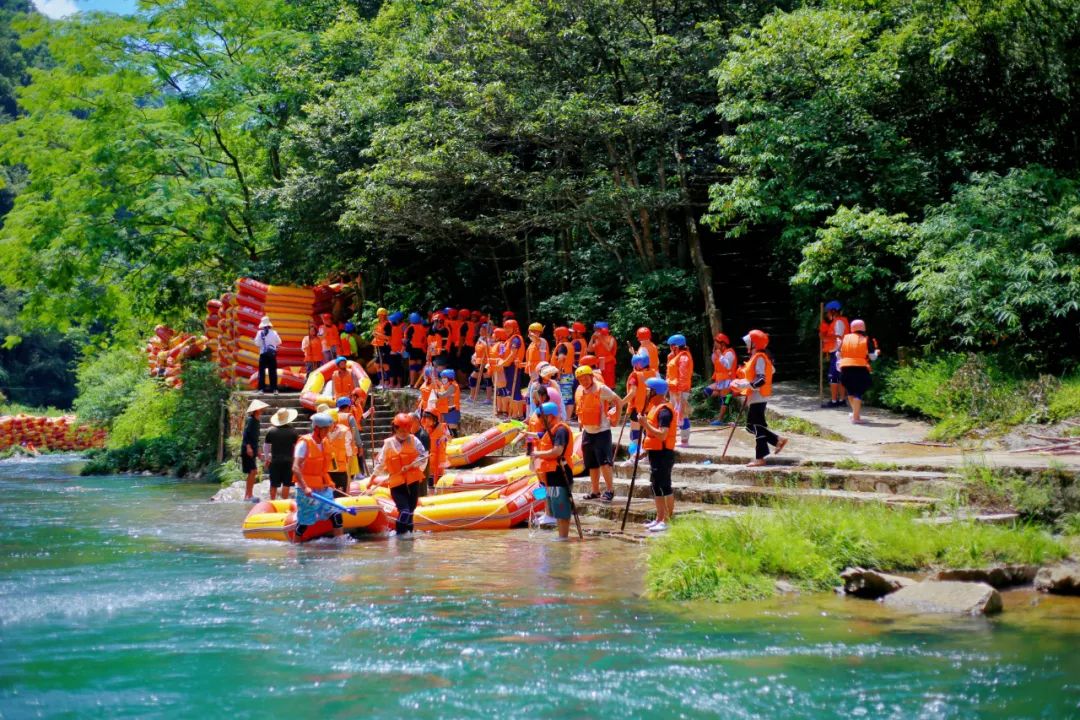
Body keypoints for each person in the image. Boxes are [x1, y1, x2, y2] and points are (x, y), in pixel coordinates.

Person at [732, 329, 788, 467]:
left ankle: (761, 457)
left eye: (748, 343)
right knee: (752, 426)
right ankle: (777, 440)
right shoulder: (759, 357)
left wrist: (743, 384)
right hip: (756, 396)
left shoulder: (760, 358)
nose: (746, 345)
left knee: (756, 426)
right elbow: (770, 371)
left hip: (759, 396)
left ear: (754, 344)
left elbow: (761, 380)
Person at [371, 413, 428, 536]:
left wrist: (412, 465)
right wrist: (372, 478)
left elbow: (424, 457)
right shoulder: (388, 444)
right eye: (401, 430)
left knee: (411, 512)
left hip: (412, 481)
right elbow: (381, 463)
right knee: (405, 511)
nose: (404, 433)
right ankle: (399, 538)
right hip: (397, 483)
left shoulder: (415, 440)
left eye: (407, 430)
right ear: (395, 429)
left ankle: (408, 544)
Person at [573, 365, 623, 502]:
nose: (584, 381)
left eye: (586, 378)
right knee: (591, 464)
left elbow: (618, 401)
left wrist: (615, 420)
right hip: (587, 432)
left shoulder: (601, 389)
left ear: (591, 376)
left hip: (602, 431)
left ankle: (610, 490)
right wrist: (580, 421)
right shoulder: (580, 390)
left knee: (604, 463)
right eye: (581, 379)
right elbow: (580, 407)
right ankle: (595, 491)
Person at [291, 412, 344, 542]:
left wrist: (329, 482)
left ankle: (340, 546)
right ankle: (295, 545)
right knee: (304, 522)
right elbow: (295, 467)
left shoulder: (325, 442)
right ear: (316, 428)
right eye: (324, 429)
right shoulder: (304, 443)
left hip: (323, 489)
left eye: (328, 428)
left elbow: (322, 468)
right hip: (306, 490)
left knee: (336, 515)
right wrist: (305, 487)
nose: (327, 431)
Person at [530, 401, 576, 539]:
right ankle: (560, 536)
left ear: (549, 417)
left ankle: (563, 538)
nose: (539, 421)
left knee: (562, 509)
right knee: (556, 507)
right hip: (551, 475)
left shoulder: (561, 430)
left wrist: (537, 454)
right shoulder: (550, 431)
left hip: (561, 474)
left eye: (540, 417)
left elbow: (558, 451)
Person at [640, 377, 676, 532]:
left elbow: (662, 435)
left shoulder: (664, 411)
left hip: (664, 453)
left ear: (655, 391)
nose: (646, 392)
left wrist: (645, 424)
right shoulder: (654, 407)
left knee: (664, 486)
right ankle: (659, 518)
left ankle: (667, 520)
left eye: (648, 389)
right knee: (655, 486)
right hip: (654, 453)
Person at [838, 319, 880, 424]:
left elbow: (838, 354)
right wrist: (877, 352)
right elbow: (872, 357)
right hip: (860, 368)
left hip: (845, 367)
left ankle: (854, 414)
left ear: (852, 328)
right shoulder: (865, 339)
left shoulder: (845, 338)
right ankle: (856, 418)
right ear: (863, 328)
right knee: (858, 392)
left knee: (850, 391)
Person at [622, 352, 657, 456]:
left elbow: (632, 393)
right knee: (648, 432)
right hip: (651, 409)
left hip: (637, 409)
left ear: (638, 365)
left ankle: (634, 455)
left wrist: (621, 403)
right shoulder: (654, 373)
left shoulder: (635, 376)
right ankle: (647, 454)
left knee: (635, 434)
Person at [263, 408, 299, 500]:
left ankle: (272, 502)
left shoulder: (271, 431)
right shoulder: (293, 432)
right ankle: (284, 503)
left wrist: (267, 459)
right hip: (288, 461)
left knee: (273, 484)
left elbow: (266, 446)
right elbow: (297, 447)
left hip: (275, 461)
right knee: (286, 484)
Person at [665, 334, 694, 447]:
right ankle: (681, 439)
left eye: (671, 346)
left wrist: (680, 393)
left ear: (675, 346)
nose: (670, 348)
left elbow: (683, 377)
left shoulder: (684, 358)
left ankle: (684, 441)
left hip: (680, 391)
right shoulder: (676, 356)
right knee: (676, 414)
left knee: (683, 414)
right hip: (674, 390)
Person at [704, 333, 739, 426]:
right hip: (720, 381)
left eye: (716, 343)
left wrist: (720, 355)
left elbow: (728, 365)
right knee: (707, 391)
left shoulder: (729, 352)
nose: (715, 345)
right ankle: (728, 395)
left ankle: (720, 419)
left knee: (724, 399)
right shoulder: (720, 353)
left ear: (722, 344)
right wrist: (715, 352)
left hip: (728, 380)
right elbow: (714, 361)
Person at [819, 300, 849, 408]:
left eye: (828, 312)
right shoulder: (836, 322)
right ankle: (841, 400)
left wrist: (824, 336)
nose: (827, 314)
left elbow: (838, 337)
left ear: (833, 311)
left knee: (833, 377)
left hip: (838, 352)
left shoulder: (839, 322)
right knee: (839, 377)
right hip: (838, 352)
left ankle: (834, 401)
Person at [242, 399, 269, 501]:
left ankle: (249, 494)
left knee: (253, 471)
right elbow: (246, 435)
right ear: (256, 410)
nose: (262, 409)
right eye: (260, 408)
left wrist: (257, 450)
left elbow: (256, 438)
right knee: (252, 471)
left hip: (252, 449)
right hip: (247, 448)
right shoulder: (251, 420)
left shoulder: (257, 420)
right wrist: (248, 447)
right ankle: (247, 495)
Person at [420, 410, 447, 491]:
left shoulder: (443, 426)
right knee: (430, 474)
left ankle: (440, 490)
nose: (426, 422)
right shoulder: (425, 427)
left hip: (440, 455)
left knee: (440, 473)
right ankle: (431, 490)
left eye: (428, 419)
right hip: (430, 455)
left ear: (434, 419)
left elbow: (449, 437)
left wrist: (443, 438)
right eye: (425, 419)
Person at [255, 316, 281, 395]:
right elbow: (279, 342)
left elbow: (257, 343)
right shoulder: (274, 332)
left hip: (263, 354)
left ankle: (261, 389)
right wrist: (273, 344)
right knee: (272, 372)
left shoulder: (260, 333)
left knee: (262, 372)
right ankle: (275, 389)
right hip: (272, 354)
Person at [589, 321, 618, 387]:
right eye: (595, 329)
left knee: (609, 384)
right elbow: (589, 349)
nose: (596, 331)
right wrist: (592, 339)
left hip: (608, 364)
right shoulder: (597, 339)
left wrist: (600, 338)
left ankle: (610, 395)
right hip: (599, 364)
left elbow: (609, 349)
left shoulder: (611, 339)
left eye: (597, 329)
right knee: (600, 382)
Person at [405, 312, 428, 386]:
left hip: (413, 349)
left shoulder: (411, 328)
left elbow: (408, 340)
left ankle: (412, 383)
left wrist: (406, 348)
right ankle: (421, 382)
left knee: (412, 367)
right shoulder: (423, 327)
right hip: (421, 349)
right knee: (418, 366)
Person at [371, 307, 391, 387]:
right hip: (378, 346)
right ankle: (381, 381)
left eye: (382, 315)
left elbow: (388, 337)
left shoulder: (387, 324)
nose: (380, 317)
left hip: (384, 346)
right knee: (377, 365)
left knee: (385, 365)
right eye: (379, 315)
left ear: (385, 315)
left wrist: (377, 334)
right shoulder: (378, 324)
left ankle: (387, 382)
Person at [388, 311, 407, 388]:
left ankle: (396, 383)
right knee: (395, 368)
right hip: (395, 351)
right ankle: (394, 383)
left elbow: (404, 340)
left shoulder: (401, 327)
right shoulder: (395, 328)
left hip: (397, 352)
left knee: (396, 368)